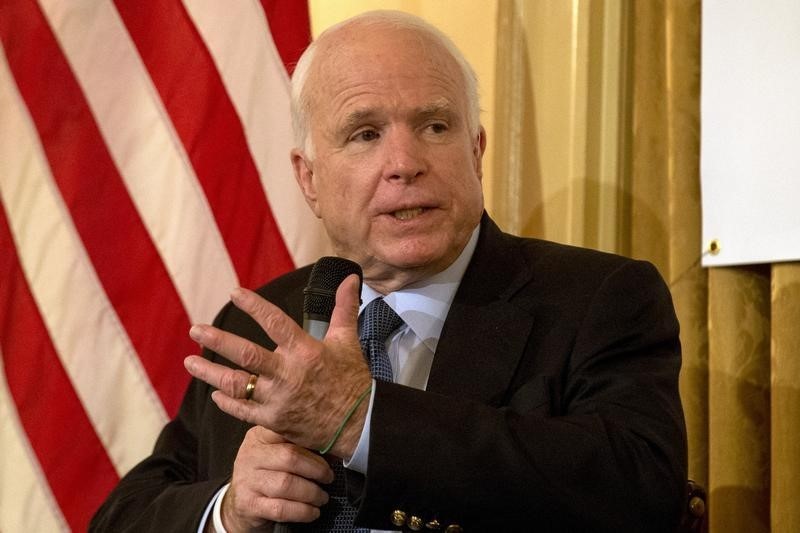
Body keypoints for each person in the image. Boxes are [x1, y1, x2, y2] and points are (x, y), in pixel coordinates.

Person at [91, 10, 687, 533]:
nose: (405, 163)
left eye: (434, 126)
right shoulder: (259, 328)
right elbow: (125, 515)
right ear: (309, 179)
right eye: (365, 133)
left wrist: (362, 422)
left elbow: (640, 495)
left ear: (475, 152)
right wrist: (229, 510)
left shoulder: (596, 300)